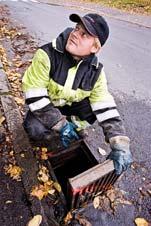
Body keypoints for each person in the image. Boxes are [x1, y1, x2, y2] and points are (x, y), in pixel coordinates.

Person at [22, 13, 133, 175]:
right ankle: (58, 134)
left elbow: (106, 107)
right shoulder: (46, 55)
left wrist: (120, 144)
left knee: (95, 106)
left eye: (84, 34)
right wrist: (60, 124)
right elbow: (35, 96)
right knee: (34, 128)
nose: (75, 34)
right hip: (48, 107)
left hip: (71, 109)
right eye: (77, 28)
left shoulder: (96, 72)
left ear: (95, 47)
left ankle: (76, 128)